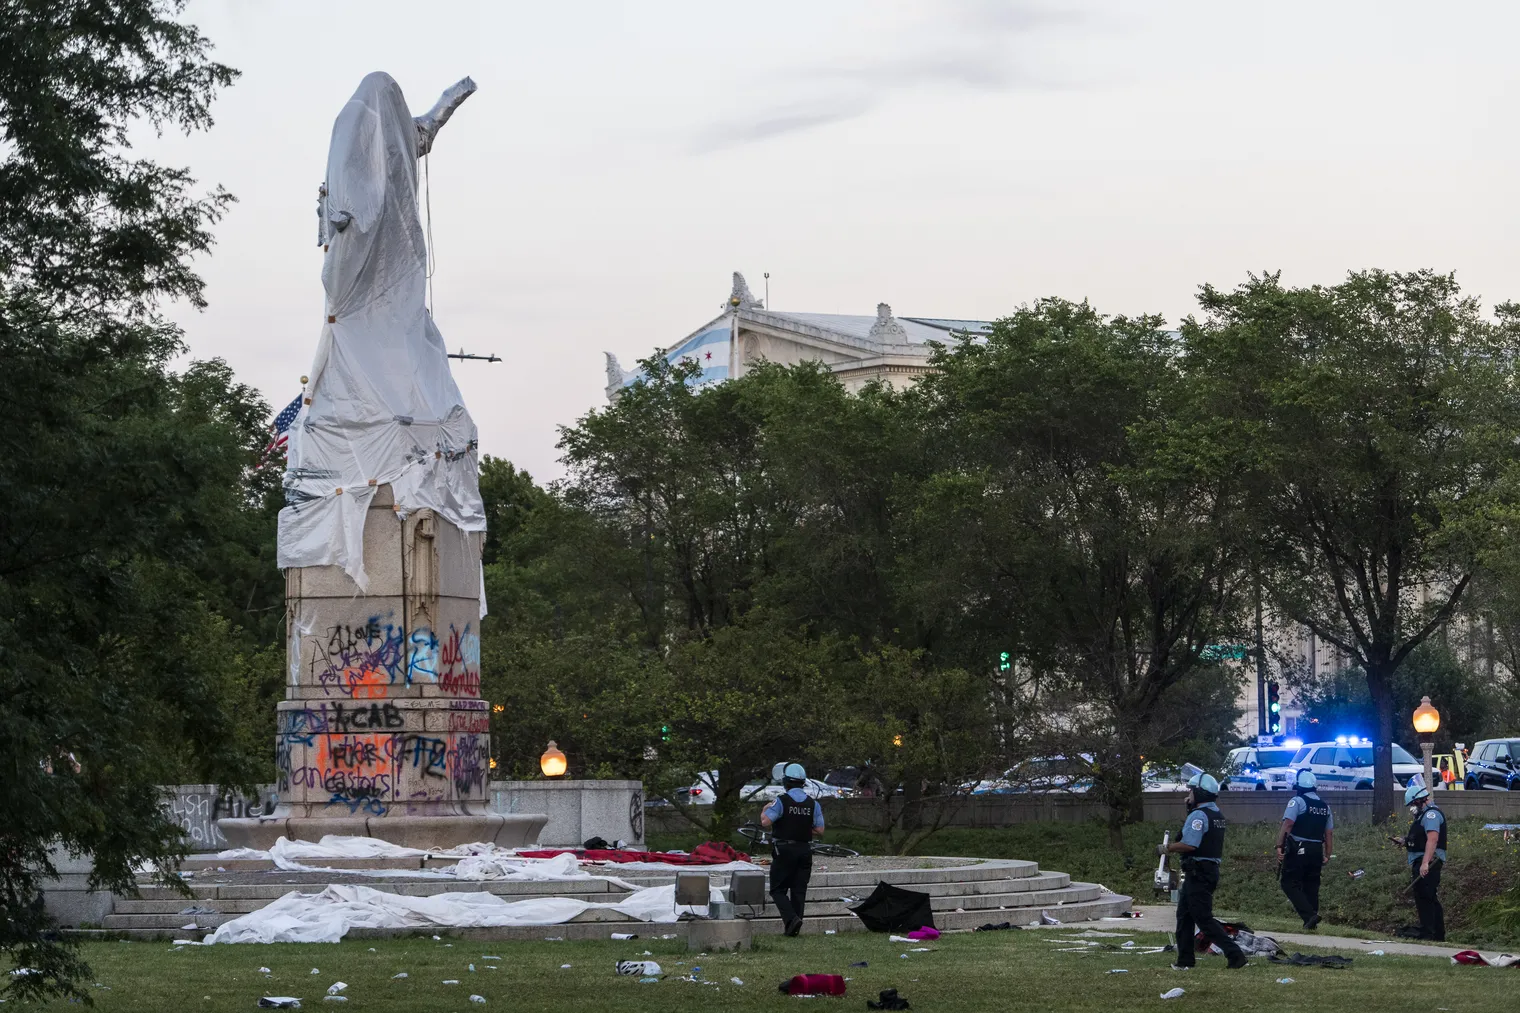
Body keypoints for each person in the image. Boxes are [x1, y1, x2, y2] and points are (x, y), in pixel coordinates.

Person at [1158, 772, 1248, 970]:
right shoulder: (1215, 813)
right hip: (1206, 871)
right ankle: (1185, 960)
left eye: (1191, 791)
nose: (1188, 794)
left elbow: (1190, 844)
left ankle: (1235, 954)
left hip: (1198, 872)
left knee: (1203, 918)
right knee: (1185, 917)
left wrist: (1168, 848)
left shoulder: (1199, 816)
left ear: (1199, 793)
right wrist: (1190, 808)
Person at [761, 761, 824, 936]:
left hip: (784, 850)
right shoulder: (813, 804)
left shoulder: (781, 801)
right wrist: (801, 826)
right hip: (805, 851)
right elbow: (820, 829)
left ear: (786, 782)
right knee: (799, 890)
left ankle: (791, 919)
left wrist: (764, 809)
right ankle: (794, 929)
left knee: (777, 889)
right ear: (802, 783)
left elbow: (765, 822)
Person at [1276, 769, 1333, 929]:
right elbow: (1328, 833)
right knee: (1312, 885)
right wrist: (1327, 854)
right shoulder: (1325, 807)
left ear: (1299, 786)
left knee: (1289, 883)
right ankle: (1312, 921)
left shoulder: (1297, 801)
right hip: (1316, 850)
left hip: (1298, 849)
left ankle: (1309, 916)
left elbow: (1288, 824)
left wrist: (1279, 845)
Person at [1398, 783, 1446, 941]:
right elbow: (1421, 839)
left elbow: (1432, 840)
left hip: (1429, 863)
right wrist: (1405, 841)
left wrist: (1425, 863)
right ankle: (1434, 933)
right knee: (1426, 897)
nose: (1411, 808)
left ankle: (1430, 933)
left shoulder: (1431, 815)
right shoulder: (1423, 816)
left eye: (1412, 804)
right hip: (1423, 861)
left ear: (1419, 800)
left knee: (1426, 897)